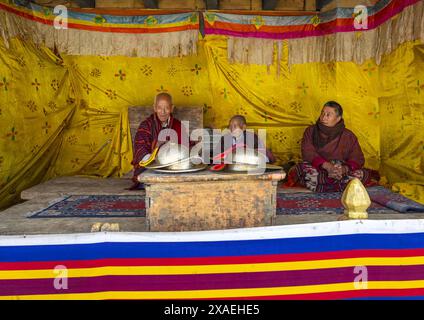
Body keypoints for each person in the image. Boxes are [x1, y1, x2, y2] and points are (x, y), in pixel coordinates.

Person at [285, 101, 379, 192]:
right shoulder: (311, 131)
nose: (323, 118)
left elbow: (358, 158)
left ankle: (325, 183)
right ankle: (340, 185)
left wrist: (343, 169)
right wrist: (328, 167)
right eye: (322, 113)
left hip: (340, 169)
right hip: (318, 167)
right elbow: (308, 153)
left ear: (338, 118)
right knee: (306, 171)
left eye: (328, 114)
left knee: (359, 174)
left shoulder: (348, 135)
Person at [130, 93, 185, 189]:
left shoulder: (178, 125)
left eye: (167, 108)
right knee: (149, 178)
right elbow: (140, 149)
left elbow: (185, 147)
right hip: (151, 167)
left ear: (172, 108)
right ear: (154, 108)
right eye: (159, 108)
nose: (163, 112)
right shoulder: (146, 125)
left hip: (173, 167)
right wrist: (156, 151)